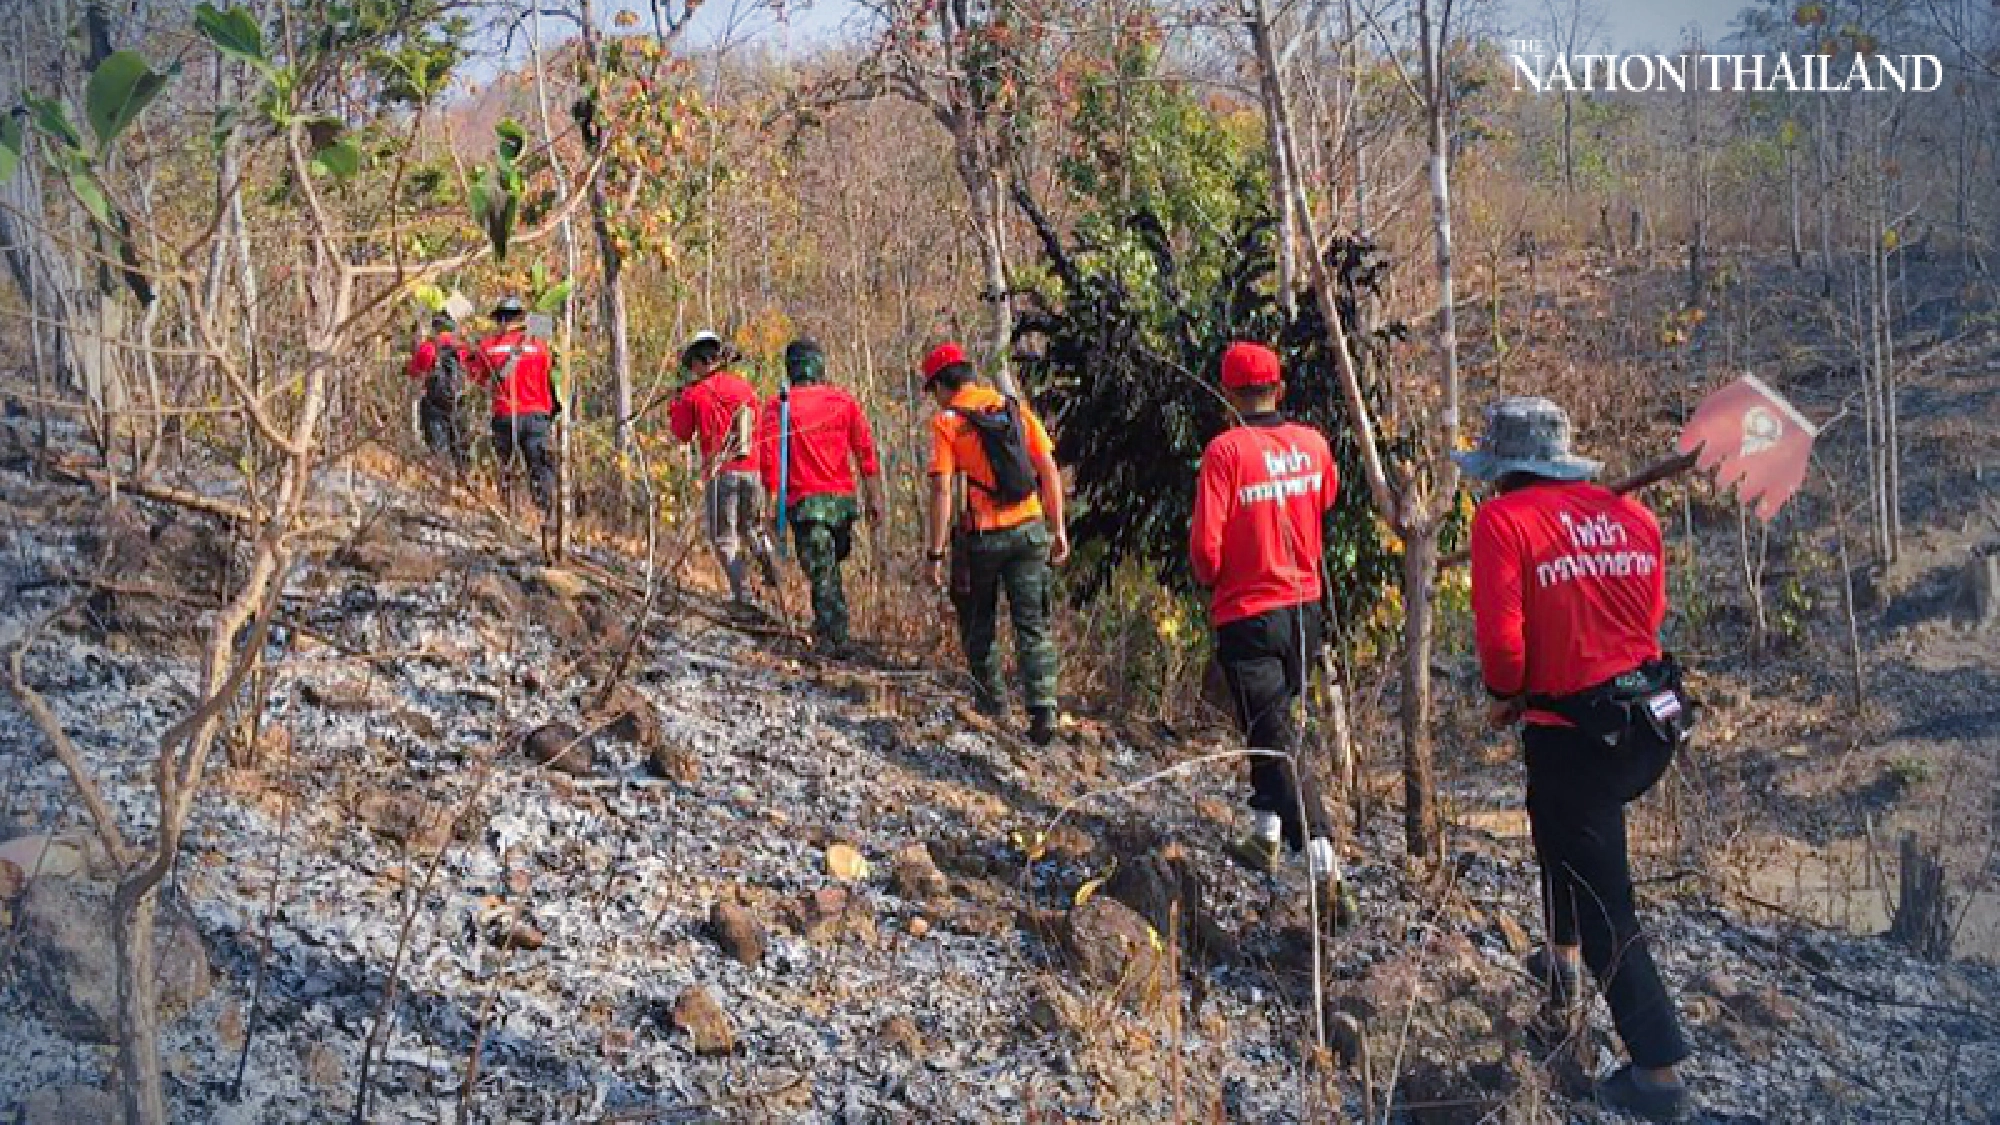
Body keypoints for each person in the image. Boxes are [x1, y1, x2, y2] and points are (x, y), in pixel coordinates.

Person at [1457, 396, 1694, 1122]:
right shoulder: (1633, 517)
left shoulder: (1502, 521)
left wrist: (1509, 691)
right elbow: (1645, 619)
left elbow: (1503, 647)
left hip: (1579, 734)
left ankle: (1657, 1070)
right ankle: (1560, 963)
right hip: (1650, 721)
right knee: (1552, 819)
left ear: (1504, 469)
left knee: (1605, 906)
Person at [1188, 342, 1355, 923]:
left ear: (1228, 394)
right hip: (1305, 611)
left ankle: (1324, 864)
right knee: (1273, 724)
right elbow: (1326, 498)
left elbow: (1205, 552)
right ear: (1278, 389)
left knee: (1276, 738)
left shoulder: (1225, 452)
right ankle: (1263, 835)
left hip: (1248, 612)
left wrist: (1214, 576)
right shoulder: (1314, 444)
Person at [921, 342, 1068, 747]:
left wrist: (935, 553)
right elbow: (1048, 469)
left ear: (942, 385)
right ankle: (1043, 710)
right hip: (1030, 529)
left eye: (933, 390)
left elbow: (942, 491)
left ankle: (993, 708)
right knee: (1032, 623)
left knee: (977, 621)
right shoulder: (1012, 407)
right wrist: (1058, 528)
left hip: (983, 538)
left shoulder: (947, 422)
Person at [757, 338, 885, 654]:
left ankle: (835, 640)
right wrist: (874, 498)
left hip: (807, 505)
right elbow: (865, 452)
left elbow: (770, 459)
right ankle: (829, 628)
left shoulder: (779, 405)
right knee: (827, 566)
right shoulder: (843, 401)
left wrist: (770, 506)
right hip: (842, 504)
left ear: (790, 368)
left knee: (823, 571)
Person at [669, 331, 779, 608]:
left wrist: (677, 401)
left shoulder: (695, 394)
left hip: (720, 472)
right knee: (751, 529)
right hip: (752, 470)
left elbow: (682, 433)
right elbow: (760, 431)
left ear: (698, 362)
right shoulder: (744, 388)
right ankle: (770, 562)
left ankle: (744, 598)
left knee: (724, 539)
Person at [468, 297, 559, 514]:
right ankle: (545, 515)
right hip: (537, 415)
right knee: (540, 468)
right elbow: (552, 373)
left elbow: (477, 378)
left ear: (500, 320)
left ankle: (509, 512)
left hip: (505, 414)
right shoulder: (540, 346)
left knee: (505, 467)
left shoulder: (487, 347)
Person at [405, 312, 471, 474]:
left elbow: (414, 371)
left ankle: (441, 475)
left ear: (435, 328)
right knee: (460, 442)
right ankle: (464, 476)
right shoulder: (463, 349)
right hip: (458, 401)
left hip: (434, 403)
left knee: (437, 442)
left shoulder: (428, 348)